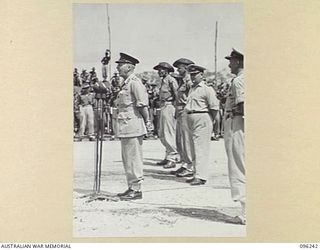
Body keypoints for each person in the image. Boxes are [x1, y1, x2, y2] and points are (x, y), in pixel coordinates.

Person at [114, 52, 152, 200]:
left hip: (133, 124)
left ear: (129, 67)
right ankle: (131, 186)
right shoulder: (126, 83)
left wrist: (147, 122)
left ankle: (136, 189)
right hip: (125, 124)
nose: (117, 67)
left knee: (134, 158)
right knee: (127, 158)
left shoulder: (135, 83)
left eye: (120, 65)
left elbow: (142, 105)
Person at [184, 64, 219, 185]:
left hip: (202, 116)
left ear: (202, 75)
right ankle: (195, 173)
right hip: (190, 116)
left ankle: (201, 176)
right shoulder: (192, 89)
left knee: (200, 148)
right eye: (191, 75)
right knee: (192, 148)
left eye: (195, 75)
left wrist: (212, 122)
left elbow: (214, 108)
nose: (193, 77)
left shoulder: (207, 89)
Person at [224, 49, 246, 224]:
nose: (229, 64)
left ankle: (246, 213)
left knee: (238, 166)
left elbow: (242, 105)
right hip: (241, 123)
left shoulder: (239, 80)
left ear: (238, 62)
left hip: (238, 124)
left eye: (231, 61)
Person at [153, 62, 179, 169]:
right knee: (162, 133)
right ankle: (168, 155)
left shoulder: (171, 80)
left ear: (166, 70)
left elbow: (177, 95)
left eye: (161, 70)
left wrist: (177, 109)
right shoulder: (163, 81)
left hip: (169, 106)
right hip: (162, 106)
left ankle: (172, 158)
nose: (159, 72)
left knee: (169, 133)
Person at [172, 58, 194, 178]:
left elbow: (191, 97)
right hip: (179, 110)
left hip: (185, 110)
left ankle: (190, 166)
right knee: (179, 140)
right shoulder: (182, 81)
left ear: (186, 68)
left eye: (179, 67)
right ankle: (185, 163)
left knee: (186, 139)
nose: (178, 70)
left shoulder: (189, 81)